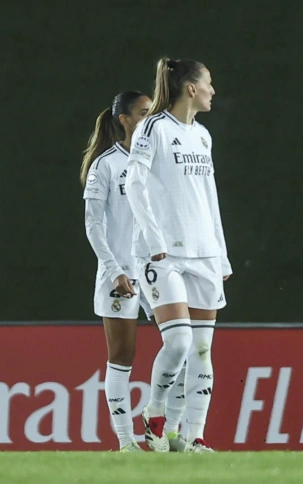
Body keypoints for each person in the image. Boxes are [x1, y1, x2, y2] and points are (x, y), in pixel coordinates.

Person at [126, 57, 231, 453]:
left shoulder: (202, 136)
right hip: (164, 256)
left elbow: (209, 198)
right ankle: (154, 412)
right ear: (191, 89)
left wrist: (220, 254)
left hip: (204, 253)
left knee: (202, 349)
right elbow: (135, 185)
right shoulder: (152, 128)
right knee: (179, 342)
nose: (212, 91)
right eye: (208, 83)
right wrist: (154, 242)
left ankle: (194, 436)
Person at [81, 91, 188, 453]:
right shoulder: (106, 165)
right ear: (124, 120)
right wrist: (113, 271)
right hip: (122, 274)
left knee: (180, 344)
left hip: (157, 269)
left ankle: (171, 430)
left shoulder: (160, 162)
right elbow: (94, 225)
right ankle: (126, 443)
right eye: (143, 114)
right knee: (122, 358)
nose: (150, 120)